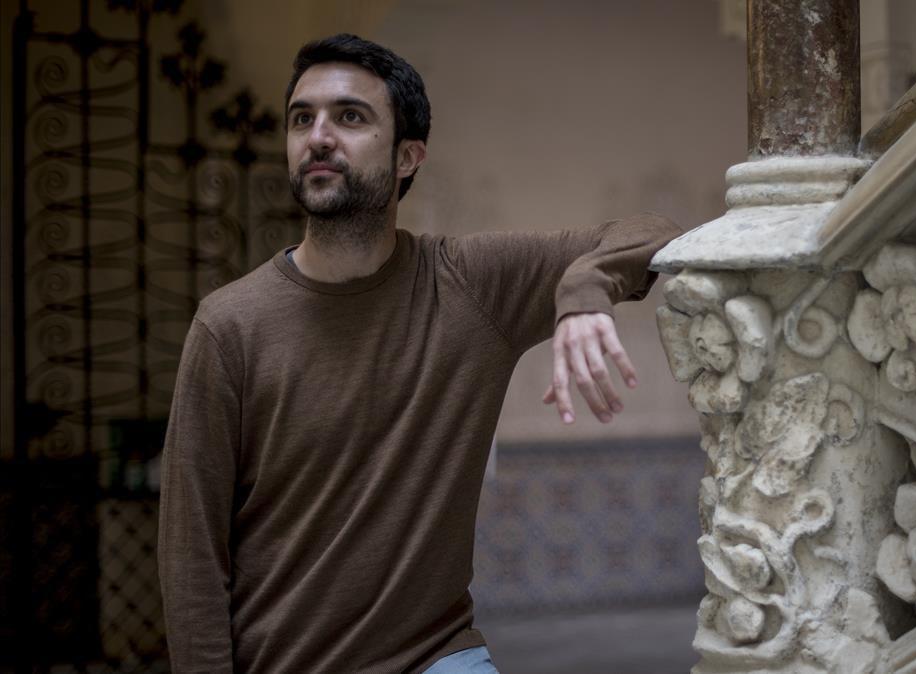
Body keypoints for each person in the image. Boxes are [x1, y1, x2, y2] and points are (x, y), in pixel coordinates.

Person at [157, 34, 679, 674]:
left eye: (350, 117)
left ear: (408, 156)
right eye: (302, 118)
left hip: (435, 658)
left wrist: (581, 291)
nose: (318, 135)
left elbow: (656, 233)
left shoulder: (469, 284)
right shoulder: (228, 325)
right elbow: (192, 555)